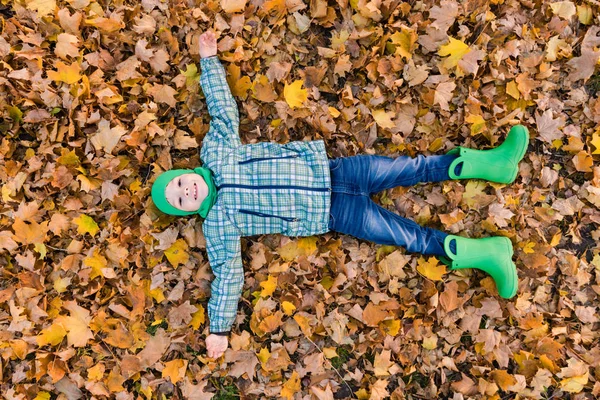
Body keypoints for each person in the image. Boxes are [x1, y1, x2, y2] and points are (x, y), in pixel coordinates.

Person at [150, 31, 529, 359]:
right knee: (407, 236)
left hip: (335, 170)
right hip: (334, 214)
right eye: (181, 199)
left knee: (410, 167)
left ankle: (492, 164)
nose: (187, 190)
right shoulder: (218, 224)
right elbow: (228, 274)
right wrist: (218, 328)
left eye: (180, 183)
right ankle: (486, 253)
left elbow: (223, 114)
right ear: (188, 212)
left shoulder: (216, 154)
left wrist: (209, 62)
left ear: (186, 172)